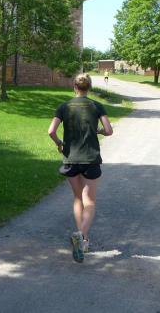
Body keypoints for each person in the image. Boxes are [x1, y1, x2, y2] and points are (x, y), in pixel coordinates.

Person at [47, 73, 114, 263]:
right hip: (90, 159)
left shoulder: (64, 106)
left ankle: (83, 240)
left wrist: (60, 144)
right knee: (89, 201)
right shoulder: (96, 106)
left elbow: (51, 131)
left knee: (78, 198)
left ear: (74, 87)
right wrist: (99, 130)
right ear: (89, 87)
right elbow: (109, 130)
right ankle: (81, 235)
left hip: (71, 158)